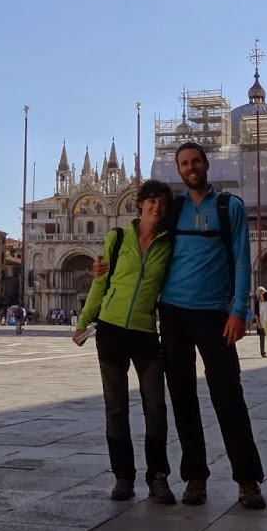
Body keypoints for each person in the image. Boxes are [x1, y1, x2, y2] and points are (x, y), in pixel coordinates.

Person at [156, 141, 266, 509]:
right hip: (172, 314)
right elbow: (146, 248)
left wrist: (240, 311)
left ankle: (247, 479)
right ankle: (195, 478)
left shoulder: (228, 206)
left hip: (216, 316)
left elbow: (241, 261)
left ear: (206, 165)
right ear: (179, 169)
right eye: (184, 163)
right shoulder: (174, 210)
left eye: (196, 162)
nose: (190, 167)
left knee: (229, 397)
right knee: (182, 398)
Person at [76, 178, 177, 504]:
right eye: (151, 201)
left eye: (162, 203)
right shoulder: (117, 239)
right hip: (110, 331)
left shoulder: (170, 244)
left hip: (146, 333)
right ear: (140, 204)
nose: (156, 207)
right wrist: (82, 322)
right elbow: (100, 284)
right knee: (116, 408)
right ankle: (123, 478)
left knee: (156, 408)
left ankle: (158, 477)